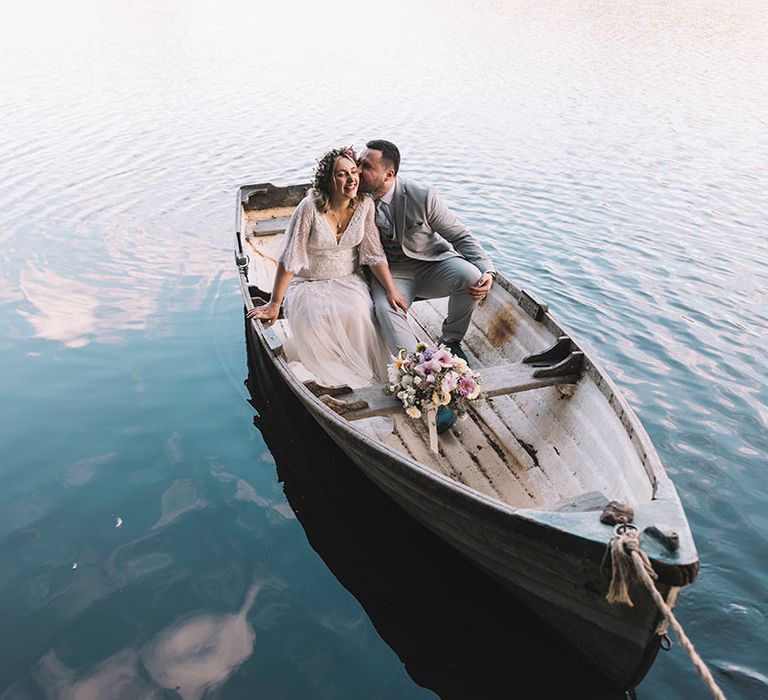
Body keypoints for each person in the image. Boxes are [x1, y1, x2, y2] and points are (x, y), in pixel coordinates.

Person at [247, 146, 408, 389]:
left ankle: (364, 376)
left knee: (358, 314)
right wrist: (274, 304)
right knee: (313, 319)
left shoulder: (365, 204)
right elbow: (291, 258)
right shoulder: (309, 207)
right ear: (328, 180)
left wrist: (391, 289)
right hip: (310, 281)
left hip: (348, 278)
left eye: (354, 172)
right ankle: (326, 381)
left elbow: (374, 254)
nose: (351, 179)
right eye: (342, 174)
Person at [358, 140, 496, 362]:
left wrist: (487, 271)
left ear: (389, 174)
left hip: (430, 264)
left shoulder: (422, 196)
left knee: (472, 276)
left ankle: (451, 340)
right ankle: (416, 368)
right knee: (386, 308)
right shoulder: (354, 194)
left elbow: (459, 235)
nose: (358, 171)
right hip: (390, 271)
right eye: (359, 163)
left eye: (367, 167)